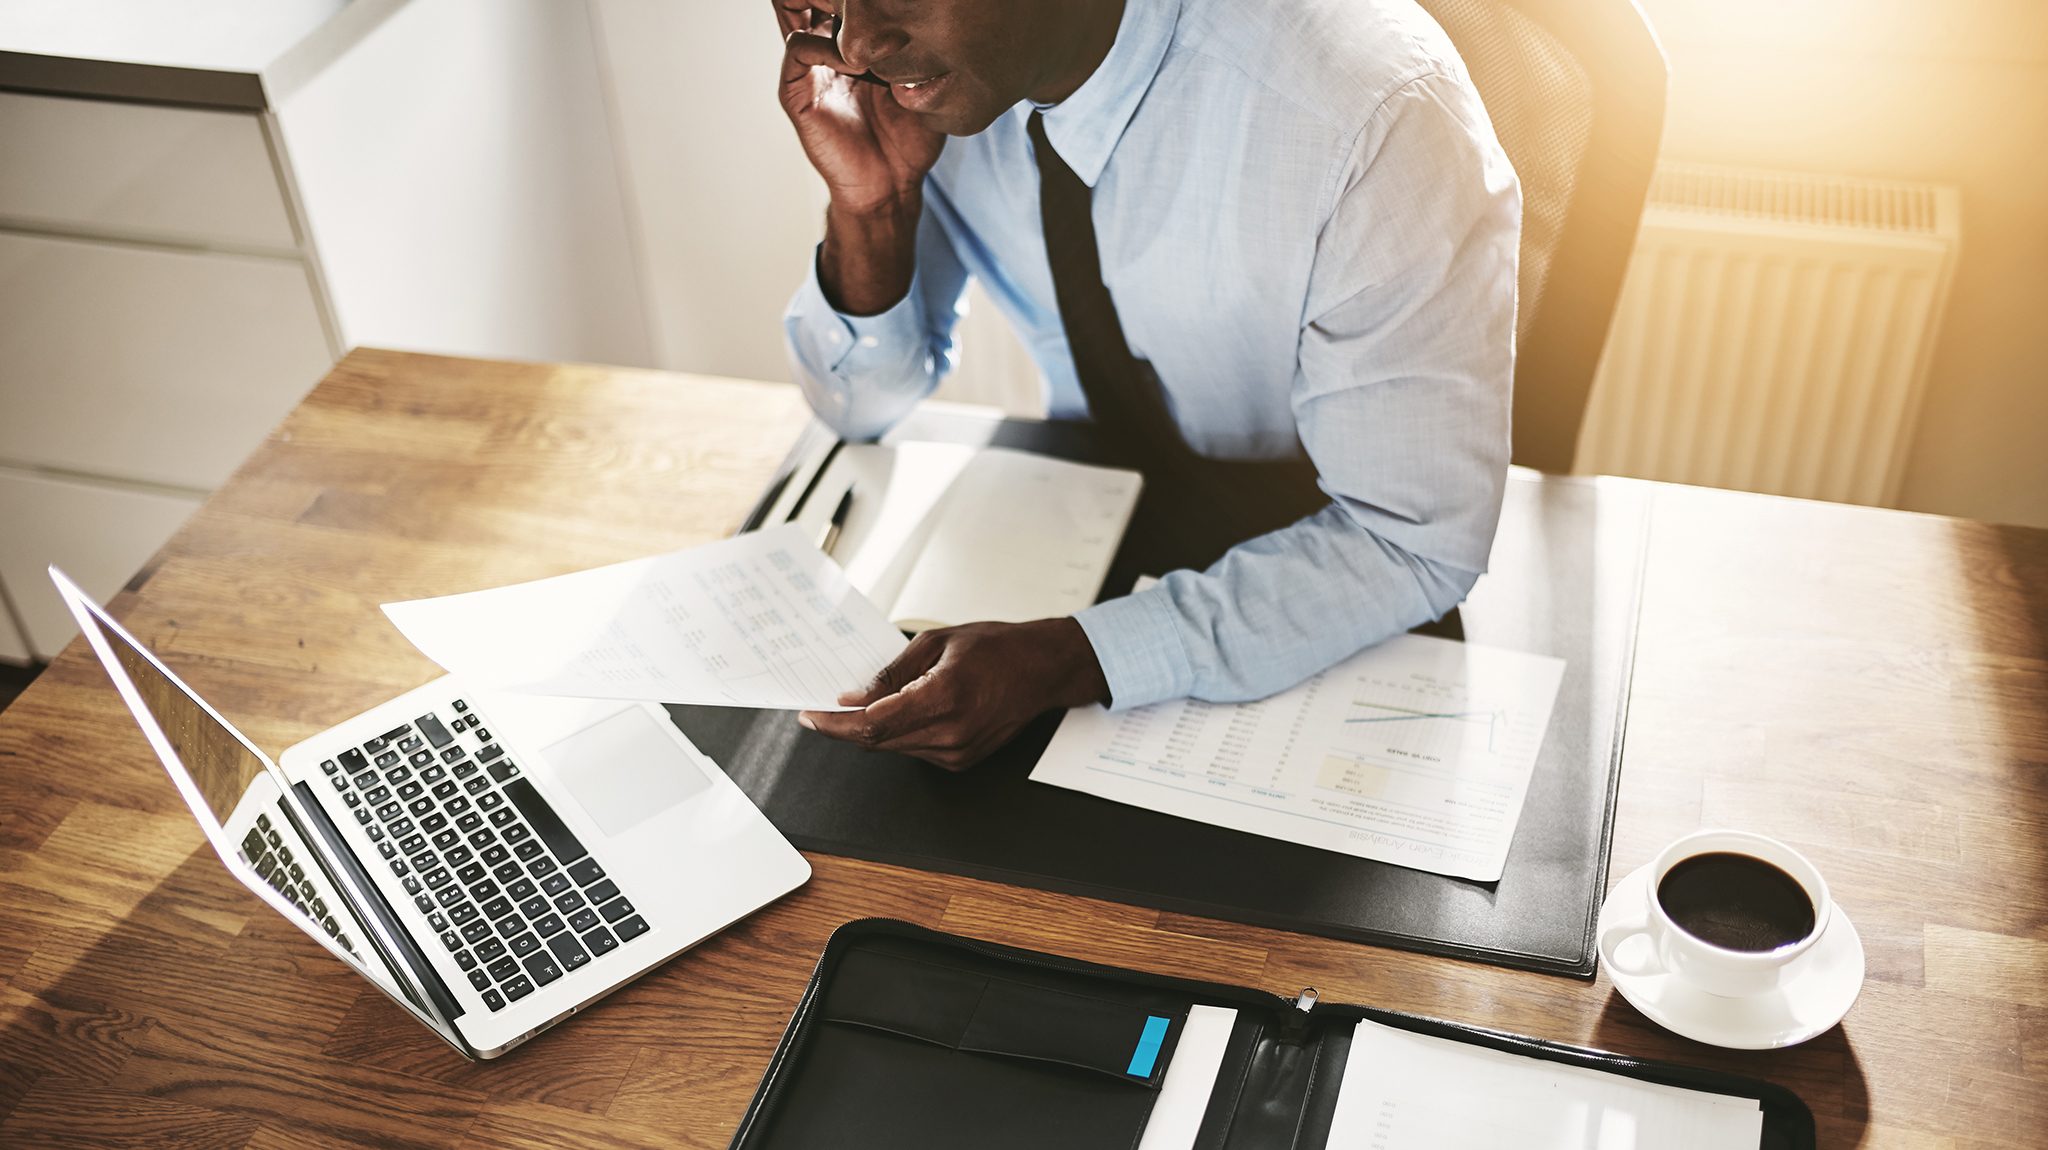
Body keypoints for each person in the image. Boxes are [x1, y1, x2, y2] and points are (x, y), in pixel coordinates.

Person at [773, 0, 1520, 768]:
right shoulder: (926, 89)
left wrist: (1074, 659)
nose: (859, 42)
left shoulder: (1374, 108)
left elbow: (1412, 541)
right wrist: (873, 210)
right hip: (1082, 533)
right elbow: (858, 409)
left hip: (1329, 577)